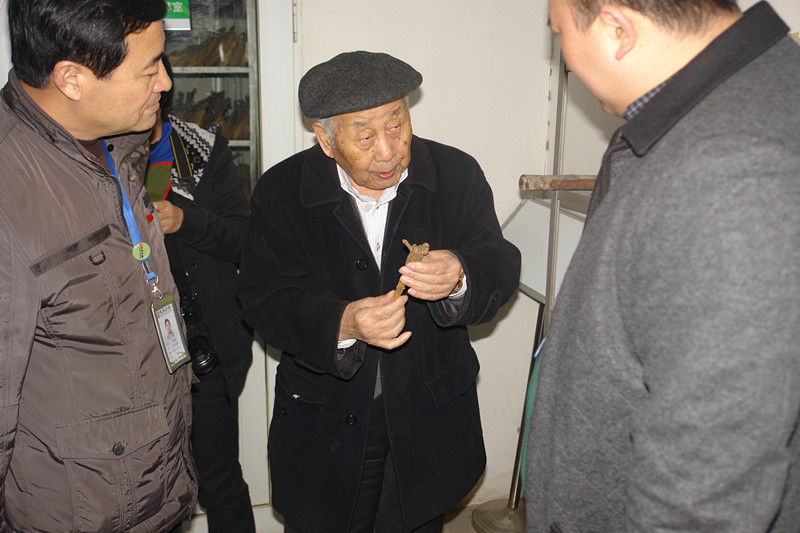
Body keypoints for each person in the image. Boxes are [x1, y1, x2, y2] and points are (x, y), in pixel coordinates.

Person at [525, 1, 800, 532]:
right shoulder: (731, 105)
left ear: (617, 28)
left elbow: (707, 479)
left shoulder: (732, 169)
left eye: (560, 35)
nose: (567, 61)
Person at [237, 51, 521, 533]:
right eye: (364, 136)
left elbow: (500, 262)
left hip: (430, 411)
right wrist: (343, 322)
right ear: (325, 140)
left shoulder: (455, 174)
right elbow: (264, 297)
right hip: (325, 414)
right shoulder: (282, 190)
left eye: (396, 125)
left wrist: (460, 274)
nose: (387, 151)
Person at [0, 0, 198, 531]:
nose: (166, 82)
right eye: (149, 69)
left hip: (154, 490)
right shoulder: (9, 188)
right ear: (72, 79)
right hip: (76, 513)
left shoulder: (118, 145)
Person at [145, 56, 255, 533]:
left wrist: (184, 221)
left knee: (219, 481)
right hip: (131, 353)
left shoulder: (196, 148)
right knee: (149, 494)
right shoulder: (95, 152)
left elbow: (244, 239)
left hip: (202, 344)